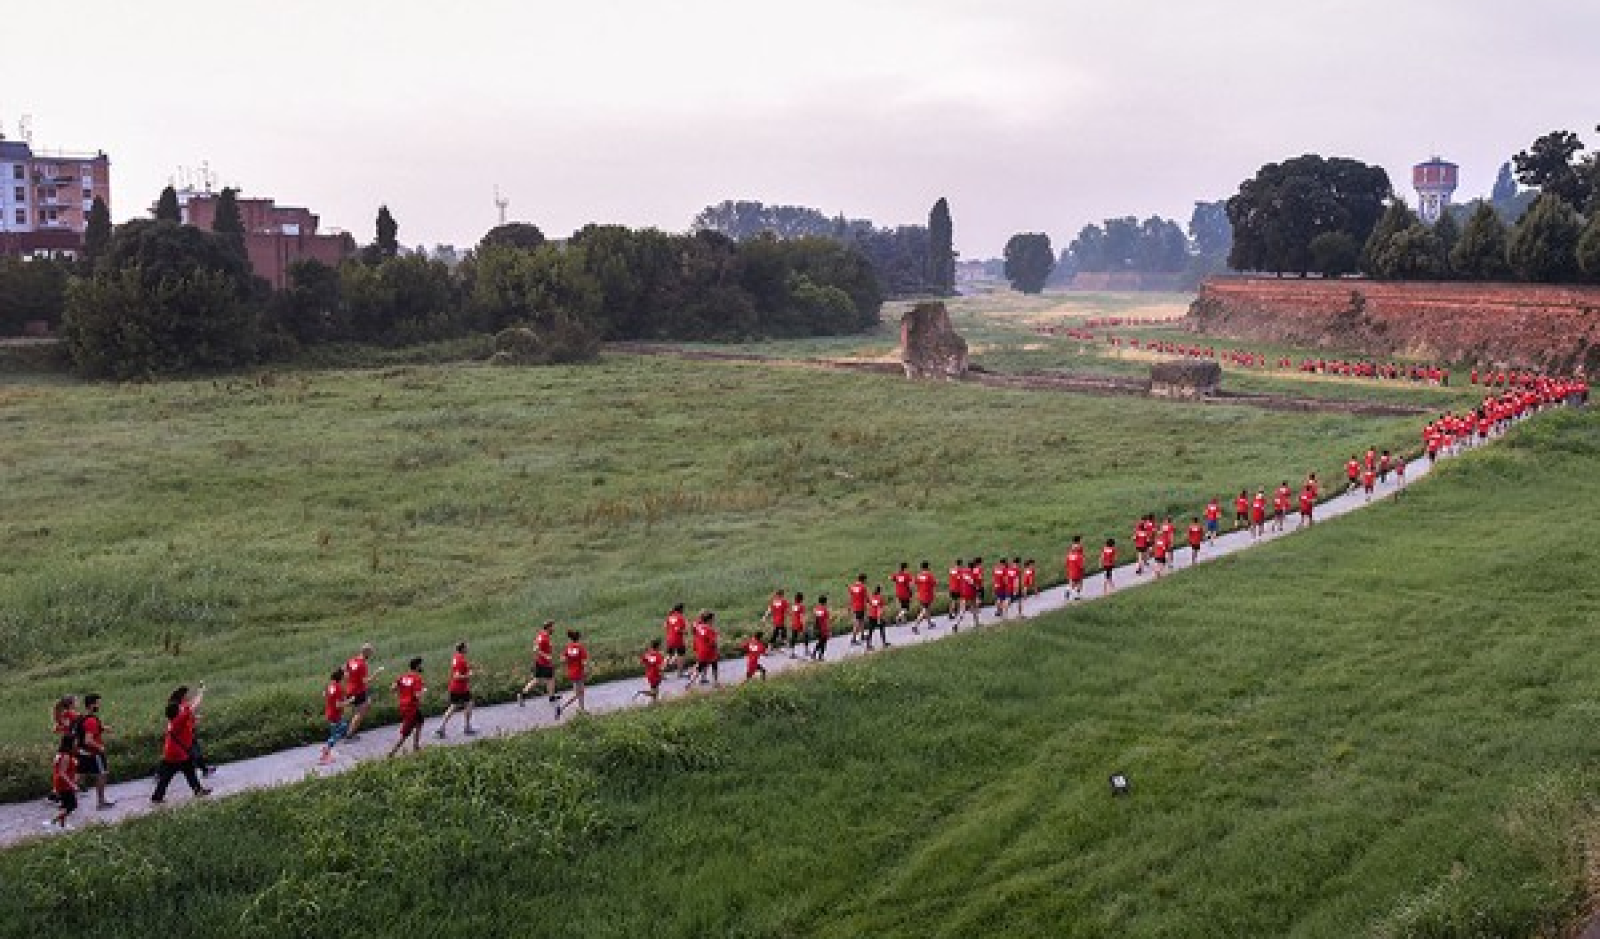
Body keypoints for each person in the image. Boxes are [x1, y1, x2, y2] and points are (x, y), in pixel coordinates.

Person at [151, 684, 212, 803]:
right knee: (181, 773)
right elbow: (194, 706)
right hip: (179, 753)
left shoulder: (173, 720)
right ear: (176, 712)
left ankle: (157, 797)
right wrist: (201, 692)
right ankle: (197, 791)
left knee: (178, 773)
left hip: (173, 751)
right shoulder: (178, 719)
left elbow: (189, 712)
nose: (181, 709)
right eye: (179, 709)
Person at [75, 694, 114, 810]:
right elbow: (88, 740)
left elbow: (87, 730)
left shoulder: (83, 717)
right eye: (98, 703)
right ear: (92, 705)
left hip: (82, 753)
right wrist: (100, 747)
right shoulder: (91, 720)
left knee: (79, 777)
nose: (99, 705)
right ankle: (101, 803)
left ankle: (63, 798)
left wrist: (104, 728)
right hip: (94, 754)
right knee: (102, 775)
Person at [435, 641, 477, 738]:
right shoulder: (461, 660)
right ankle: (466, 727)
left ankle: (441, 728)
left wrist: (468, 668)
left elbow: (458, 670)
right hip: (460, 688)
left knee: (454, 707)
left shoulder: (456, 657)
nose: (467, 649)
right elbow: (457, 676)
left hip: (455, 687)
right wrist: (469, 675)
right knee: (469, 704)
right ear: (462, 649)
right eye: (466, 647)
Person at [387, 659, 427, 758]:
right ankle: (392, 753)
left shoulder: (403, 677)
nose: (421, 667)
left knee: (420, 721)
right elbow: (417, 695)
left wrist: (401, 695)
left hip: (404, 705)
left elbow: (392, 688)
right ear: (417, 666)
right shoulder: (417, 678)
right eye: (420, 665)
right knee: (405, 734)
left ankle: (416, 747)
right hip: (411, 708)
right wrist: (424, 691)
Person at [518, 621, 558, 707]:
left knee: (540, 679)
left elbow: (537, 645)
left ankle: (523, 694)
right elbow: (535, 649)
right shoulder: (544, 637)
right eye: (552, 627)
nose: (554, 629)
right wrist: (546, 656)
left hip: (540, 662)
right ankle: (551, 697)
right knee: (549, 679)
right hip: (544, 663)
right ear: (548, 628)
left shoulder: (542, 635)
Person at [343, 643, 377, 741]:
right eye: (370, 653)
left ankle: (345, 729)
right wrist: (376, 673)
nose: (370, 656)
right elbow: (365, 681)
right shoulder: (363, 665)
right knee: (361, 712)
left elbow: (345, 673)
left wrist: (350, 682)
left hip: (349, 689)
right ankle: (349, 734)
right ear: (366, 652)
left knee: (363, 705)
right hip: (359, 691)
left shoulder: (351, 660)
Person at [556, 630, 590, 717]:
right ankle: (562, 707)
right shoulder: (580, 648)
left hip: (571, 672)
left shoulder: (569, 647)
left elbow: (562, 659)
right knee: (578, 693)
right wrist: (586, 670)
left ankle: (582, 710)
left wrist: (570, 661)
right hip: (579, 672)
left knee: (580, 692)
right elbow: (584, 662)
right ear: (578, 638)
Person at [46, 736, 77, 830]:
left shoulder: (60, 754)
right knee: (72, 805)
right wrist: (72, 784)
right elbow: (62, 772)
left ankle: (61, 826)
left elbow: (57, 769)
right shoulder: (66, 756)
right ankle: (53, 822)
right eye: (74, 742)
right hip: (64, 784)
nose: (76, 743)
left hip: (60, 783)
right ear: (70, 743)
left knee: (65, 805)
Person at [319, 667, 348, 765]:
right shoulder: (339, 688)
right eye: (345, 674)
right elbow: (338, 705)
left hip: (329, 712)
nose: (346, 675)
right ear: (341, 677)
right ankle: (325, 753)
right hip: (335, 714)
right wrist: (350, 701)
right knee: (338, 733)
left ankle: (327, 751)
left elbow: (324, 694)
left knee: (340, 729)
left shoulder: (330, 685)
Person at [688, 612, 721, 688]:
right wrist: (717, 649)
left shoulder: (699, 627)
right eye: (713, 619)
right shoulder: (710, 630)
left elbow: (694, 632)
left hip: (701, 650)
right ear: (709, 620)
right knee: (714, 666)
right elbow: (713, 642)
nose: (714, 620)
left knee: (700, 667)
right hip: (709, 651)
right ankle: (716, 682)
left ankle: (690, 683)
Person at [636, 639, 666, 704]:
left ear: (651, 647)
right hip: (655, 675)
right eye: (660, 646)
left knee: (654, 689)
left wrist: (647, 665)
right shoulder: (659, 656)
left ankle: (654, 703)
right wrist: (662, 675)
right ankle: (640, 692)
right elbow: (661, 667)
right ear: (658, 647)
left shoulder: (647, 654)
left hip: (649, 674)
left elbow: (640, 662)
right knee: (654, 692)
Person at [663, 604, 690, 677]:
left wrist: (670, 631)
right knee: (681, 655)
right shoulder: (680, 617)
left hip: (669, 638)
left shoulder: (670, 616)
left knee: (668, 655)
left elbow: (665, 626)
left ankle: (660, 672)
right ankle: (680, 673)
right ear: (681, 609)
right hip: (678, 639)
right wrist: (685, 632)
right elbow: (678, 629)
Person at [913, 561, 937, 634]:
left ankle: (929, 624)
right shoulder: (929, 575)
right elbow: (934, 584)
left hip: (920, 595)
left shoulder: (919, 575)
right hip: (927, 596)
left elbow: (915, 583)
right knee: (924, 610)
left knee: (927, 609)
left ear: (921, 567)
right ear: (928, 567)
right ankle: (915, 625)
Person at [848, 574, 869, 645]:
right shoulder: (863, 587)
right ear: (863, 580)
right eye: (866, 580)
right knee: (857, 623)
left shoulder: (853, 587)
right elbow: (866, 597)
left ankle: (862, 635)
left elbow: (851, 596)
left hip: (855, 607)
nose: (866, 581)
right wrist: (871, 603)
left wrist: (849, 606)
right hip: (861, 607)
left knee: (862, 621)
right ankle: (853, 639)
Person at [811, 596, 832, 661]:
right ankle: (820, 656)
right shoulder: (825, 610)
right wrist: (829, 630)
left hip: (817, 628)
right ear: (825, 602)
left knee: (820, 641)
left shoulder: (816, 609)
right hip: (823, 628)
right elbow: (827, 621)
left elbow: (815, 618)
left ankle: (814, 653)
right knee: (823, 643)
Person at [788, 592, 809, 658]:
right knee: (805, 635)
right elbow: (802, 616)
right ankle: (806, 650)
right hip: (800, 624)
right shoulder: (801, 606)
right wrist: (804, 624)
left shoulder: (793, 606)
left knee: (794, 638)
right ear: (801, 599)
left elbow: (792, 614)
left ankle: (792, 653)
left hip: (794, 623)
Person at [1065, 536, 1086, 600]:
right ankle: (1077, 595)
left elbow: (1067, 563)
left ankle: (1068, 590)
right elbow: (1081, 565)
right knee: (1080, 582)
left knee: (1072, 583)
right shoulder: (1079, 552)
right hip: (1078, 569)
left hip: (1071, 569)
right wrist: (1083, 568)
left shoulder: (1069, 555)